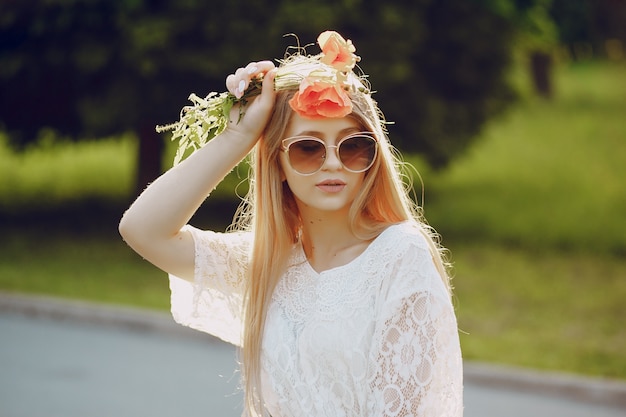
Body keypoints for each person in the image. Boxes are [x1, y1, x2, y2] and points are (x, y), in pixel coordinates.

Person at [119, 31, 463, 417]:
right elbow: (143, 230)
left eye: (353, 145)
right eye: (307, 148)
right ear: (277, 165)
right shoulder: (268, 263)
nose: (333, 162)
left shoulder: (399, 255)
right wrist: (240, 135)